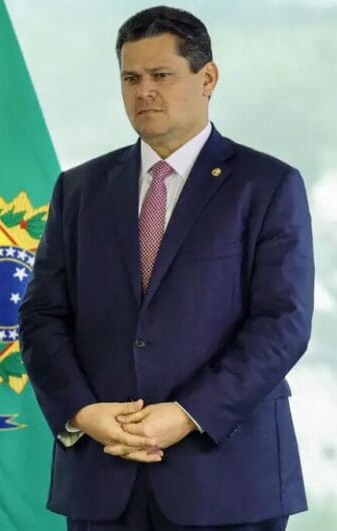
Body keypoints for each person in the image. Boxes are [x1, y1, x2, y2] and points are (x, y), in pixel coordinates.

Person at [19, 6, 312, 531]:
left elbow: (282, 324)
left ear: (208, 78)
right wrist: (83, 413)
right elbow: (42, 318)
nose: (144, 92)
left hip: (228, 480)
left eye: (161, 75)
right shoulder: (79, 190)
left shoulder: (267, 185)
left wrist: (187, 414)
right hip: (103, 477)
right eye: (131, 78)